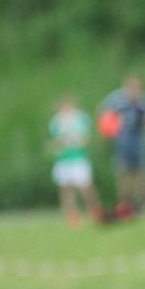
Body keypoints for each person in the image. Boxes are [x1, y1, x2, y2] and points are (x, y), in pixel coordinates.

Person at [100, 74, 145, 212]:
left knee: (140, 171)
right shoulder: (115, 99)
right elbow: (104, 115)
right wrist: (109, 131)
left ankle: (141, 203)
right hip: (122, 139)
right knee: (123, 171)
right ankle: (124, 202)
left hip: (138, 138)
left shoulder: (144, 100)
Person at [49, 95, 101, 228]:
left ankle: (95, 210)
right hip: (64, 159)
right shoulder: (56, 121)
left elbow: (86, 138)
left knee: (86, 187)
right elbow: (56, 141)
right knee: (66, 188)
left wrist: (75, 140)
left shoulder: (81, 118)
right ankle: (72, 214)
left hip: (78, 157)